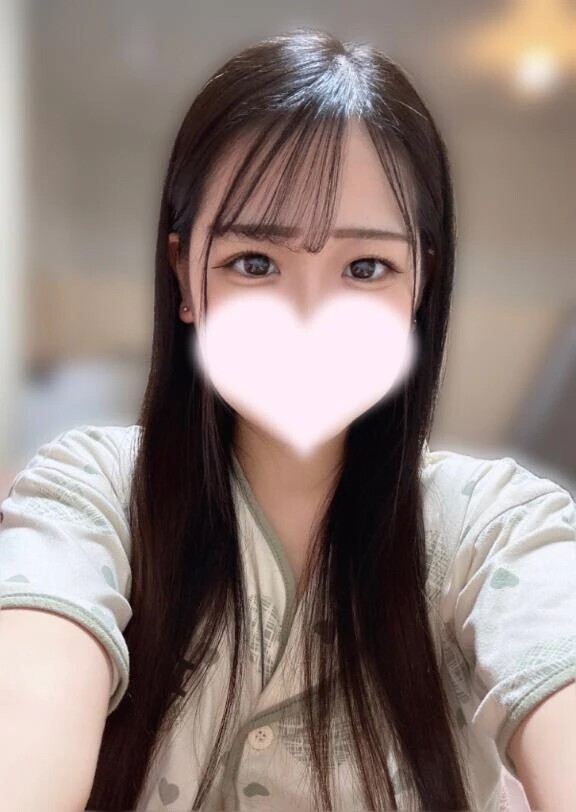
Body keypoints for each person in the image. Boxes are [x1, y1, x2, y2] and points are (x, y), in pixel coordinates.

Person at [0, 27, 574, 812]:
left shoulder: (496, 527)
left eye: (365, 267)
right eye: (255, 262)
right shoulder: (90, 493)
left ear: (419, 284)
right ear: (184, 275)